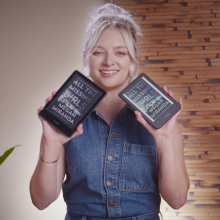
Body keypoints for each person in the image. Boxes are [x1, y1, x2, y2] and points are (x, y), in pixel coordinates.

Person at [30, 3, 190, 220]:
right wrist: (50, 143)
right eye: (98, 52)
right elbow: (41, 200)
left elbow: (177, 199)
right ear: (86, 55)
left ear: (133, 57)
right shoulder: (65, 114)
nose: (108, 62)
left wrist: (164, 139)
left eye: (120, 52)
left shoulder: (161, 117)